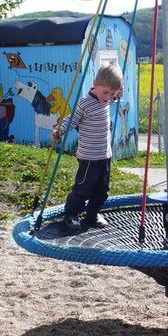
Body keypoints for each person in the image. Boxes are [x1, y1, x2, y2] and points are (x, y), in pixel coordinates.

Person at [52, 63, 124, 230]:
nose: (108, 97)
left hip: (105, 155)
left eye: (112, 94)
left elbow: (114, 95)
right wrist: (60, 130)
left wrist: (117, 93)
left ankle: (92, 215)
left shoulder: (106, 99)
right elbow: (71, 120)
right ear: (95, 84)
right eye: (106, 92)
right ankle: (71, 214)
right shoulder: (85, 103)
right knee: (83, 187)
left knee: (103, 189)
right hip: (89, 157)